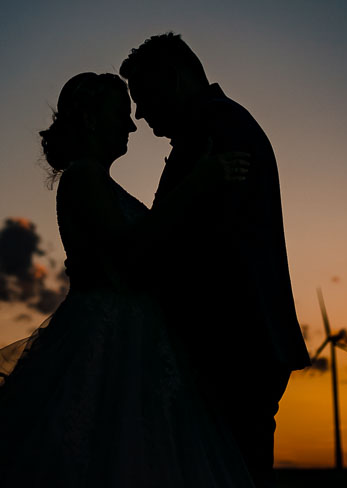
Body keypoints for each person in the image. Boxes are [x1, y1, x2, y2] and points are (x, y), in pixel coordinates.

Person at [0, 72, 256, 488]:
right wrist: (198, 183)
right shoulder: (83, 177)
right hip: (106, 336)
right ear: (93, 120)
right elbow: (129, 255)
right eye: (120, 114)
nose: (131, 125)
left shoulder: (101, 181)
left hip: (134, 336)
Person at [120, 33, 309, 488]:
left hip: (230, 344)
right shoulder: (218, 126)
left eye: (145, 96)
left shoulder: (217, 130)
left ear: (176, 78)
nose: (140, 113)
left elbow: (200, 243)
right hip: (237, 342)